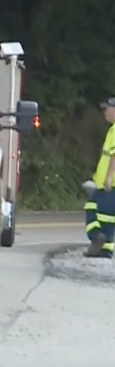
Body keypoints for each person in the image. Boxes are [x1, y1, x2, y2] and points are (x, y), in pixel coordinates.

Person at [83, 97, 115, 258]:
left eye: (107, 109)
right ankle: (106, 249)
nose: (105, 112)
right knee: (106, 217)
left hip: (110, 184)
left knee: (97, 212)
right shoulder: (112, 129)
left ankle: (96, 236)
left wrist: (109, 177)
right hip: (104, 183)